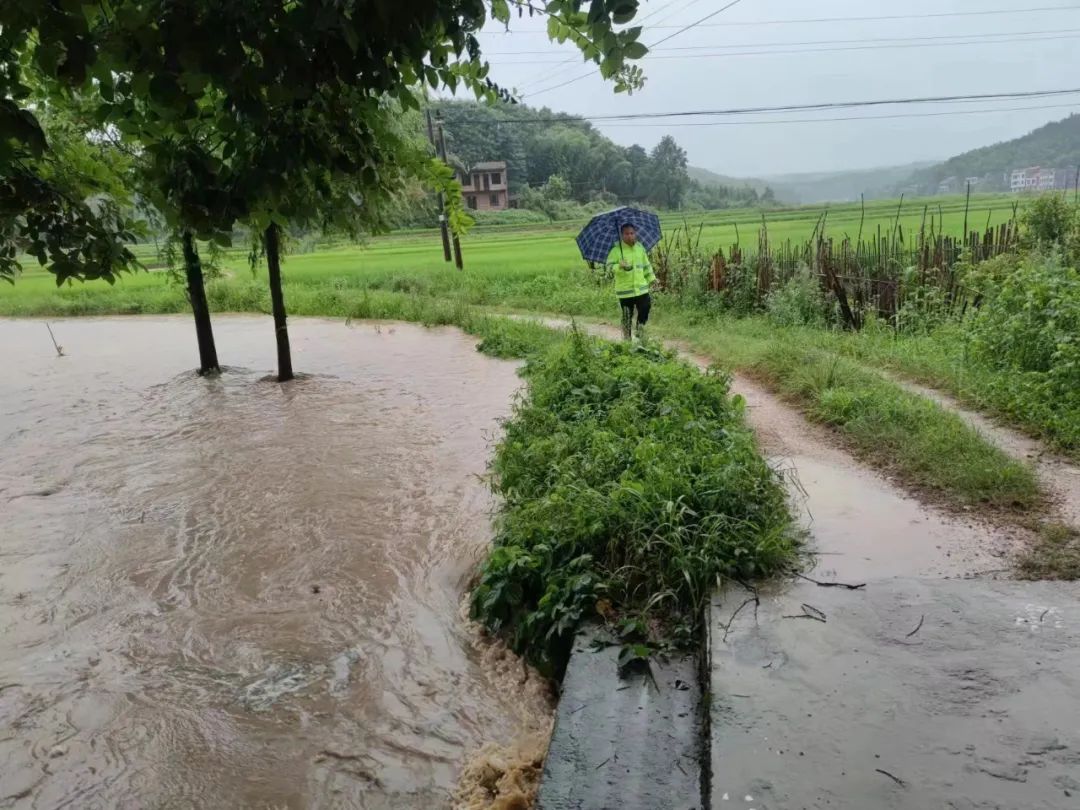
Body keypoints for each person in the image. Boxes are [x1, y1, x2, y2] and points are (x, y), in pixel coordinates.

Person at [605, 223, 656, 341]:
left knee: (645, 308)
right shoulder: (616, 251)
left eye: (632, 233)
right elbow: (608, 269)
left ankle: (640, 334)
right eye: (626, 234)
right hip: (625, 291)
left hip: (641, 288)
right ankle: (627, 340)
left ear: (635, 234)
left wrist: (652, 279)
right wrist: (619, 266)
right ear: (622, 235)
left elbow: (646, 265)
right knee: (627, 316)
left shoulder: (640, 248)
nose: (630, 236)